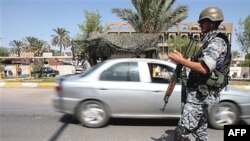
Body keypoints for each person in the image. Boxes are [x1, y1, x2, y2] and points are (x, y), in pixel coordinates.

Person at [168, 7, 231, 141]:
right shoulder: (208, 41)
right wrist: (185, 61)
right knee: (200, 133)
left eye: (203, 21)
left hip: (200, 96)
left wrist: (182, 61)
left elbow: (204, 68)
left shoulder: (217, 41)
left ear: (212, 23)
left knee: (180, 132)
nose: (200, 24)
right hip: (199, 94)